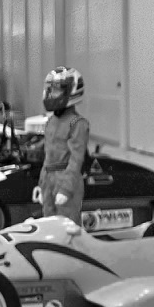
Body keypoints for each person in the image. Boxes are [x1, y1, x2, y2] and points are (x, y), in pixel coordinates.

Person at [38, 67, 89, 222]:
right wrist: (42, 185)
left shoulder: (77, 123)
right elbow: (48, 157)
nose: (51, 94)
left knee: (67, 226)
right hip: (49, 179)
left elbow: (76, 160)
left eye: (56, 91)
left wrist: (66, 189)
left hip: (66, 178)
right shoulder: (50, 122)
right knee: (49, 224)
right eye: (50, 90)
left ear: (71, 92)